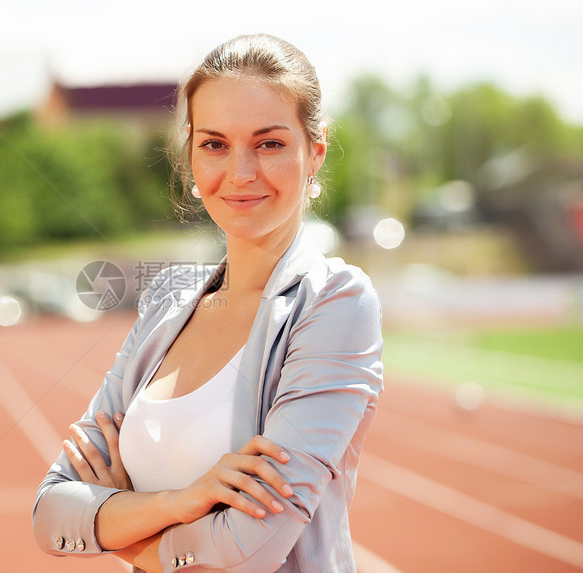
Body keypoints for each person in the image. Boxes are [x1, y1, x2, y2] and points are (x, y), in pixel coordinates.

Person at [32, 33, 383, 573]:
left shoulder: (335, 303)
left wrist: (119, 522)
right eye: (215, 144)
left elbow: (249, 553)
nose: (240, 173)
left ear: (314, 151)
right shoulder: (168, 300)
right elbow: (52, 513)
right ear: (191, 153)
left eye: (268, 143)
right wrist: (184, 501)